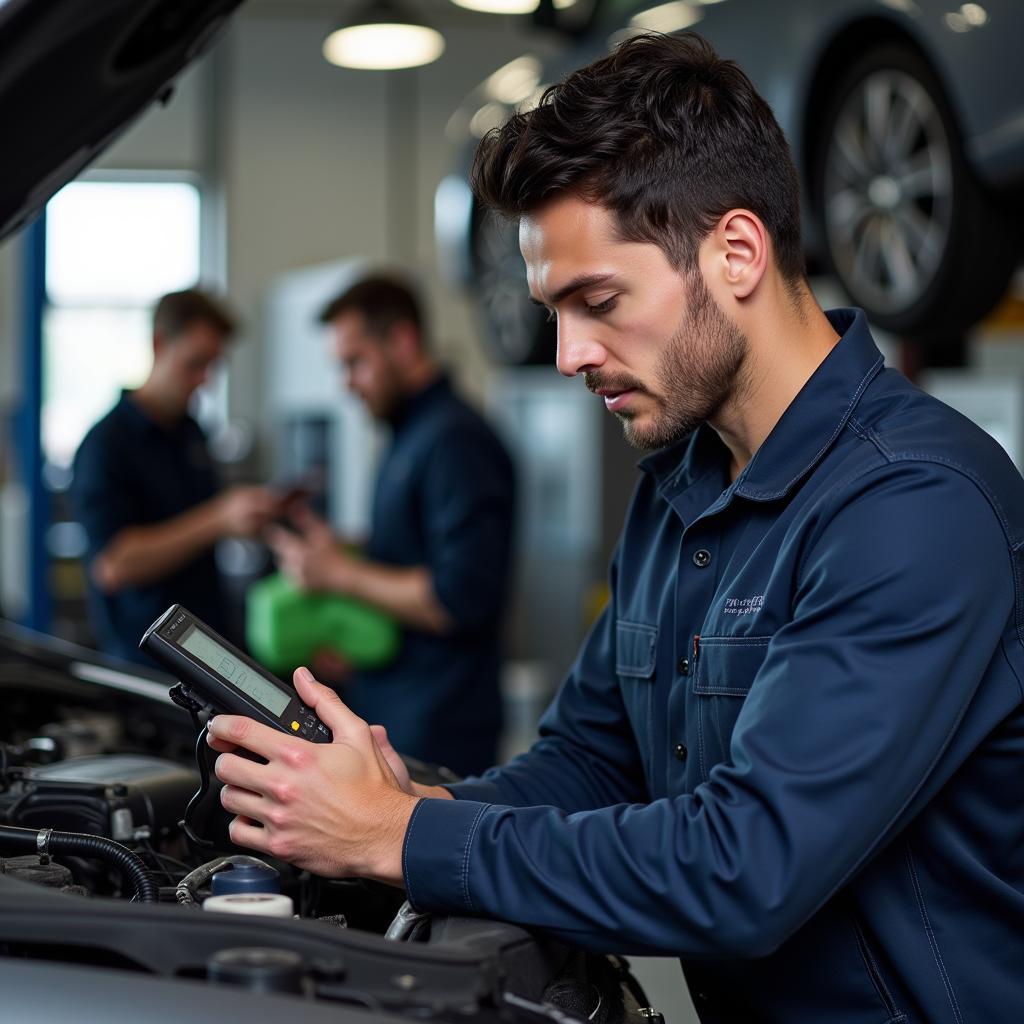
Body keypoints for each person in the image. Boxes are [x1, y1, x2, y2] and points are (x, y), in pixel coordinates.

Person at [206, 34, 1024, 1022]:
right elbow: (591, 762)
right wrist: (413, 804)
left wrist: (401, 837)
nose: (567, 353)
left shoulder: (911, 507)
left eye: (597, 302)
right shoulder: (679, 483)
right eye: (554, 309)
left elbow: (742, 869)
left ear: (735, 253)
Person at [265, 275, 515, 776]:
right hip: (397, 704)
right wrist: (341, 551)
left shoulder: (456, 441)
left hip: (439, 725)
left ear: (402, 341)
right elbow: (411, 550)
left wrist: (337, 572)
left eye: (356, 363)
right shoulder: (410, 433)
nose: (348, 383)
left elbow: (458, 598)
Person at [72, 288, 281, 665]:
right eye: (195, 363)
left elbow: (195, 528)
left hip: (209, 647)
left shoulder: (190, 432)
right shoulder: (105, 444)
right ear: (158, 344)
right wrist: (217, 519)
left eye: (213, 366)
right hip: (147, 663)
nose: (204, 379)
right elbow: (113, 565)